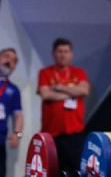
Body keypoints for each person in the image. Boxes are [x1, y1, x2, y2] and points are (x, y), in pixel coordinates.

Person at [37, 38, 90, 174]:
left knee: (76, 170)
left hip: (74, 132)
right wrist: (72, 93)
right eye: (59, 51)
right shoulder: (45, 72)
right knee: (52, 170)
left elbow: (84, 91)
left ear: (71, 54)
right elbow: (46, 94)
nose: (62, 55)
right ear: (53, 54)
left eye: (66, 51)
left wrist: (59, 88)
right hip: (51, 132)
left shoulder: (79, 72)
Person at [0, 48, 23, 177]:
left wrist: (17, 134)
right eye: (6, 56)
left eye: (13, 60)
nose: (9, 61)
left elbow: (18, 115)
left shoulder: (13, 90)